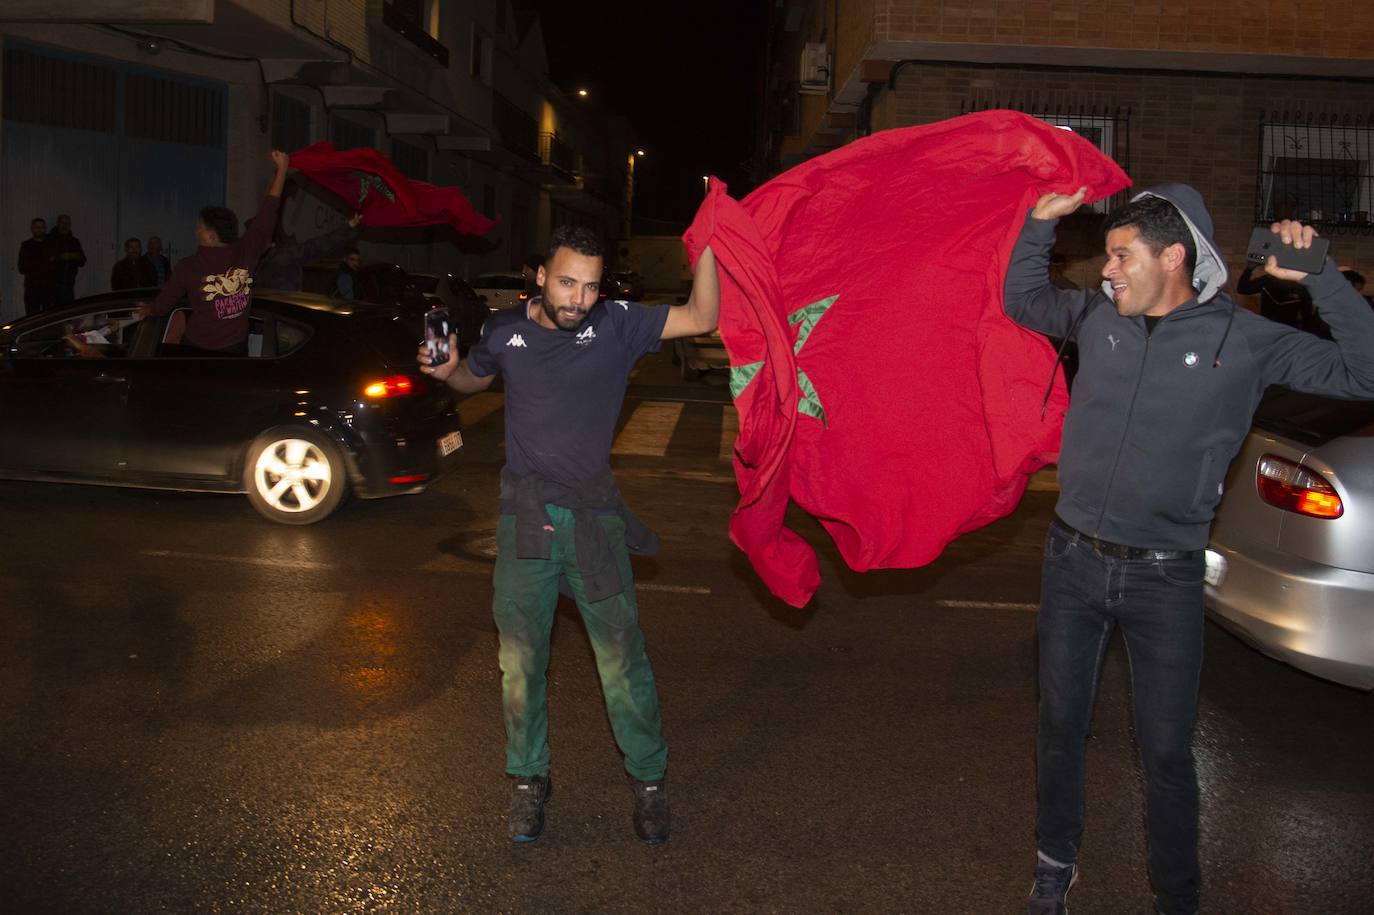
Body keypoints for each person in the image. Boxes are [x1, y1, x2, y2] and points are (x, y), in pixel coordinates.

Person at [1003, 184, 1374, 915]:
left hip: (1164, 578)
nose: (1107, 270)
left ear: (1172, 256)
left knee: (1167, 752)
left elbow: (1366, 373)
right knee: (1059, 725)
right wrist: (1036, 227)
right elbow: (1022, 300)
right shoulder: (1096, 317)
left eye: (1120, 254)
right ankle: (1054, 866)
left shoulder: (1245, 342)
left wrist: (1323, 277)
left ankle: (1178, 896)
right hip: (1072, 561)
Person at [418, 224, 719, 846]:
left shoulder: (617, 324)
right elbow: (474, 376)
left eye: (589, 285)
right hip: (525, 515)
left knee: (621, 658)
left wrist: (711, 241)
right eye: (566, 281)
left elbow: (700, 314)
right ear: (539, 275)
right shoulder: (505, 331)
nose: (578, 297)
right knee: (520, 663)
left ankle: (649, 779)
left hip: (594, 519)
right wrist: (448, 371)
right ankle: (529, 780)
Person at [137, 150, 290, 353]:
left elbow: (164, 303)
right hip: (235, 349)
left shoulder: (188, 267)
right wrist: (282, 170)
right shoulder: (247, 250)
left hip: (198, 350)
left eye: (199, 226)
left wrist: (149, 309)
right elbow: (268, 210)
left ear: (210, 235)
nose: (195, 230)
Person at [253, 212, 360, 291]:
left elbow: (317, 245)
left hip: (285, 314)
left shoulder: (284, 256)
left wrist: (347, 228)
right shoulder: (248, 262)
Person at [17, 217, 56, 315]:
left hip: (49, 289)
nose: (39, 229)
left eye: (42, 227)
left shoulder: (52, 244)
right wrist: (44, 262)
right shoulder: (26, 246)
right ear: (32, 228)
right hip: (32, 289)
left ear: (45, 228)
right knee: (32, 318)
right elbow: (22, 268)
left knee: (49, 318)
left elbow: (56, 265)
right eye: (36, 227)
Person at [48, 214, 87, 306]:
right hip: (51, 286)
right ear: (57, 223)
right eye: (62, 223)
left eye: (67, 223)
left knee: (67, 315)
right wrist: (60, 257)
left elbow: (83, 261)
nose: (65, 225)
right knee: (53, 316)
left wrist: (74, 256)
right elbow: (46, 259)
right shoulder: (49, 240)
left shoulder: (74, 241)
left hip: (68, 286)